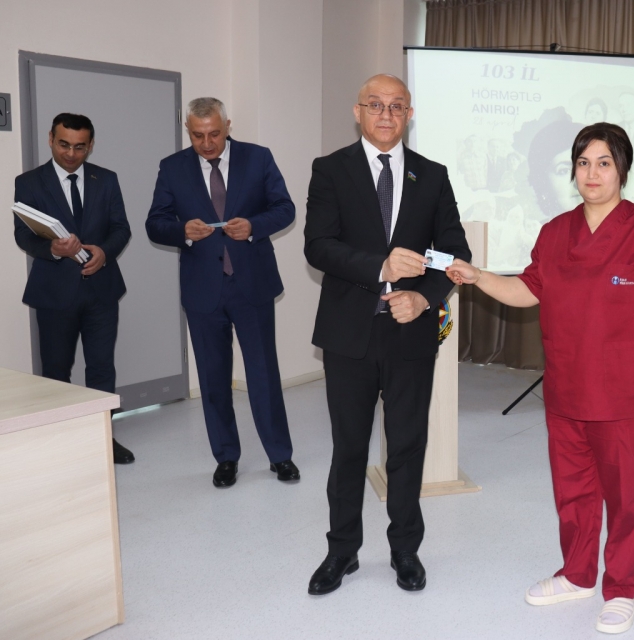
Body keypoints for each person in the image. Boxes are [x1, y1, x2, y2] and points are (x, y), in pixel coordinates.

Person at [446, 123, 634, 634]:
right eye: (583, 163)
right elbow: (528, 291)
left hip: (624, 395)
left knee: (625, 497)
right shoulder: (555, 232)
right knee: (573, 492)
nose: (592, 173)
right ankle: (577, 575)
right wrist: (479, 276)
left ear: (622, 169)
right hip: (566, 390)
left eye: (604, 162)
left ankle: (621, 589)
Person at [303, 74, 471, 596]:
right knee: (349, 448)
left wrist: (424, 298)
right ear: (358, 112)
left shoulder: (433, 176)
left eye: (397, 106)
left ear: (409, 115)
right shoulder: (330, 169)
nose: (386, 114)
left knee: (406, 446)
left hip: (410, 332)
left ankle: (405, 550)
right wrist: (380, 267)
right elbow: (318, 246)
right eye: (375, 105)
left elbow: (454, 253)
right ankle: (342, 550)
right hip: (348, 333)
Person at [145, 97, 297, 488]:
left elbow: (285, 208)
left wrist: (254, 226)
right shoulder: (172, 167)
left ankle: (279, 455)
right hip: (203, 289)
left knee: (263, 374)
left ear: (228, 126)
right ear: (188, 130)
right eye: (198, 136)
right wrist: (182, 231)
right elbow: (154, 223)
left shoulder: (258, 158)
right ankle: (226, 457)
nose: (207, 143)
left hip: (252, 285)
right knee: (213, 379)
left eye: (214, 134)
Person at [13, 113, 134, 464]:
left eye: (80, 147)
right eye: (64, 144)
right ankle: (61, 440)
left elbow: (121, 228)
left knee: (101, 368)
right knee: (55, 371)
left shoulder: (106, 179)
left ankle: (102, 437)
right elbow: (23, 235)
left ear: (91, 145)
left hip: (102, 291)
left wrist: (104, 252)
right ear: (51, 139)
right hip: (54, 293)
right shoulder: (29, 182)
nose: (70, 153)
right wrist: (52, 249)